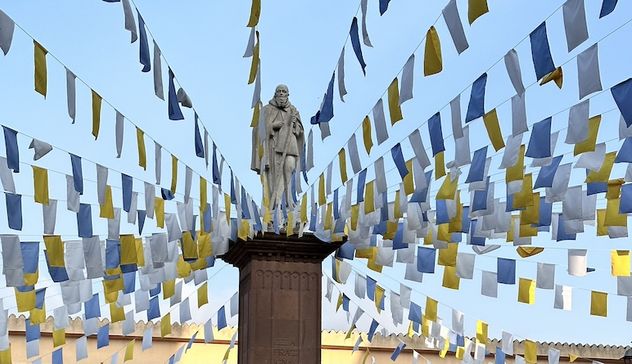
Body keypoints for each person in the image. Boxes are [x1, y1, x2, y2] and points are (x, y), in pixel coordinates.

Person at [251, 84, 304, 211]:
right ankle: (275, 203)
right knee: (274, 176)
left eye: (284, 91)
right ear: (275, 93)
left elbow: (300, 131)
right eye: (279, 91)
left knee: (290, 167)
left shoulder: (293, 110)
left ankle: (288, 199)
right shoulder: (267, 109)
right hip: (273, 148)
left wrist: (295, 125)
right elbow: (258, 129)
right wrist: (272, 126)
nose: (281, 93)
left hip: (289, 145)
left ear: (287, 94)